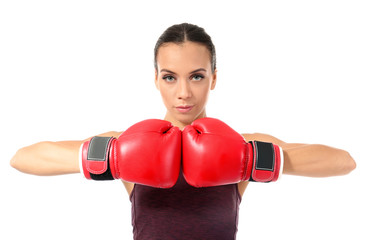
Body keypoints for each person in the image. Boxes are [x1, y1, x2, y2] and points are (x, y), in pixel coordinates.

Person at [10, 23, 356, 240]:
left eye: (197, 76)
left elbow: (344, 162)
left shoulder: (243, 146)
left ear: (214, 78)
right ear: (156, 79)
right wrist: (111, 157)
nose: (184, 93)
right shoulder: (127, 142)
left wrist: (250, 158)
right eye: (170, 77)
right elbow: (22, 158)